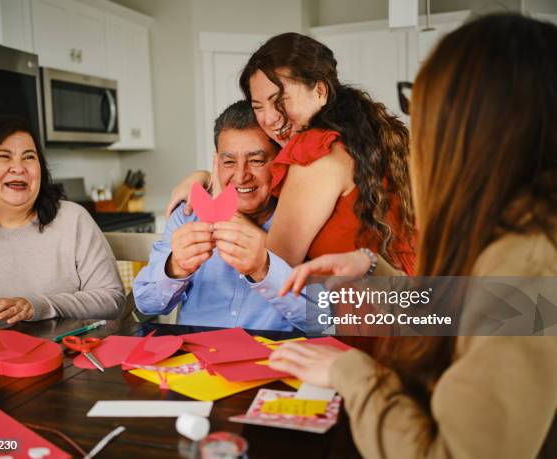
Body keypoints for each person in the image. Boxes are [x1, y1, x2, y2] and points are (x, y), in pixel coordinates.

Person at [269, 14, 557, 458]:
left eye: (421, 105)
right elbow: (465, 315)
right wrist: (372, 272)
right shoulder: (517, 237)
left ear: (474, 130)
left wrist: (354, 372)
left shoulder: (529, 265)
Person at [169, 32, 416, 282]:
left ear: (320, 90)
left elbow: (276, 265)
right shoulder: (364, 137)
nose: (269, 117)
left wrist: (220, 203)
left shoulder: (313, 153)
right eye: (258, 106)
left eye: (280, 100)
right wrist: (206, 177)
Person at [134, 101, 321, 332]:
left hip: (272, 361)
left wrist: (264, 268)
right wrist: (175, 268)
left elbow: (325, 320)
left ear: (280, 162)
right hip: (195, 360)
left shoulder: (309, 221)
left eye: (256, 160)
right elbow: (147, 304)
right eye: (229, 162)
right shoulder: (188, 215)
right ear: (217, 163)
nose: (241, 176)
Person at [0, 115, 125, 324]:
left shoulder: (73, 220)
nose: (19, 168)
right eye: (4, 156)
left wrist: (38, 306)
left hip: (64, 351)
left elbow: (112, 300)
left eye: (29, 157)